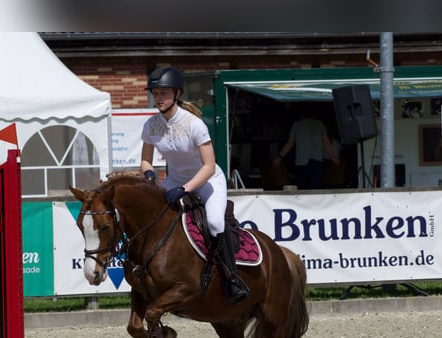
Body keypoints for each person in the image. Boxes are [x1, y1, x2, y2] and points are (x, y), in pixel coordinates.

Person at [140, 66, 249, 305]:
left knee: (214, 222)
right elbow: (146, 160)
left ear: (177, 93)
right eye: (155, 93)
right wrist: (149, 176)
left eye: (163, 93)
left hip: (207, 180)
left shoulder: (194, 124)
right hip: (174, 181)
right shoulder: (150, 126)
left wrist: (186, 188)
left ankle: (232, 279)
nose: (158, 98)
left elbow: (209, 165)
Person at [272, 104, 339, 190]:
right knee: (315, 189)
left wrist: (279, 157)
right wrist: (333, 157)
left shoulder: (297, 124)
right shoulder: (320, 124)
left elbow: (290, 143)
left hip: (301, 163)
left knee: (301, 189)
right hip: (317, 162)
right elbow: (326, 142)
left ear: (301, 114)